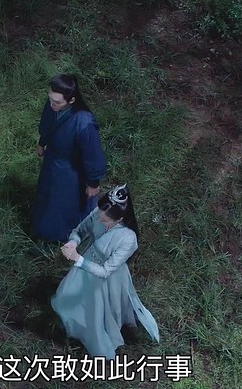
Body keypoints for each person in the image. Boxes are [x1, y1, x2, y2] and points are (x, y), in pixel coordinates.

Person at [51, 184, 160, 360]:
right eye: (100, 217)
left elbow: (105, 271)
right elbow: (80, 230)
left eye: (106, 221)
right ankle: (72, 324)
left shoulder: (128, 238)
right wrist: (73, 242)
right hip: (86, 263)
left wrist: (78, 259)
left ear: (120, 219)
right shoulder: (99, 213)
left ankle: (97, 336)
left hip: (107, 275)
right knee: (69, 295)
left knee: (97, 310)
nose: (101, 221)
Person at [31, 74, 107, 245]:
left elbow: (92, 154)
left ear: (71, 100)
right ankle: (44, 229)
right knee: (47, 196)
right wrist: (42, 142)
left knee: (65, 203)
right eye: (50, 99)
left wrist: (93, 182)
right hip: (53, 161)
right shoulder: (53, 106)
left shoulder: (84, 123)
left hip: (71, 169)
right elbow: (47, 125)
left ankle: (65, 236)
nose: (52, 104)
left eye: (57, 102)